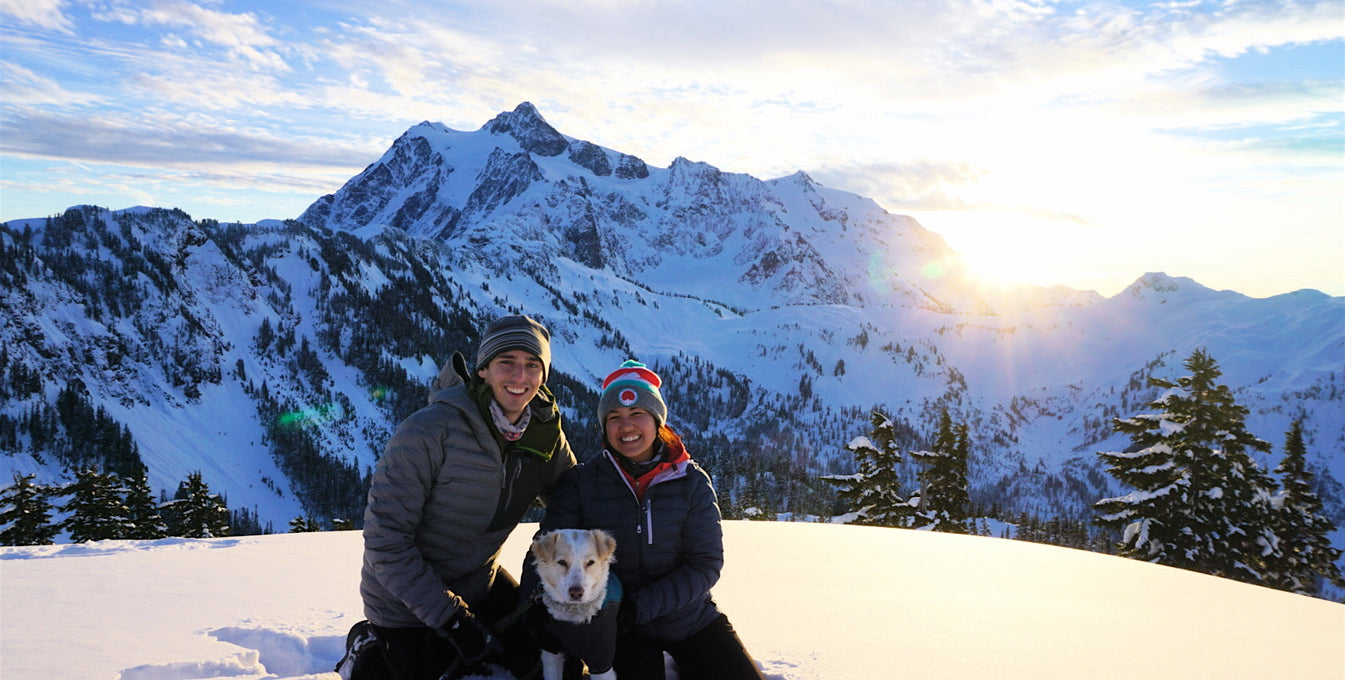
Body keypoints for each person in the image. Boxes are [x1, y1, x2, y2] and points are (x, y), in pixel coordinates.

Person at [357, 314, 576, 680]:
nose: (520, 377)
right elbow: (386, 542)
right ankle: (367, 650)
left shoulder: (543, 435)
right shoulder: (428, 432)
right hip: (404, 604)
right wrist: (452, 620)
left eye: (532, 365)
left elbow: (573, 501)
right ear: (483, 370)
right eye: (506, 362)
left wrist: (547, 580)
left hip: (480, 584)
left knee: (553, 661)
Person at [532, 360, 765, 680]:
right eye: (614, 418)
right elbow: (546, 548)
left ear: (658, 422)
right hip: (621, 628)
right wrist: (540, 609)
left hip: (689, 619)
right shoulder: (582, 483)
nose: (626, 426)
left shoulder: (691, 482)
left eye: (637, 415)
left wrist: (637, 607)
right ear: (604, 427)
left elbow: (705, 564)